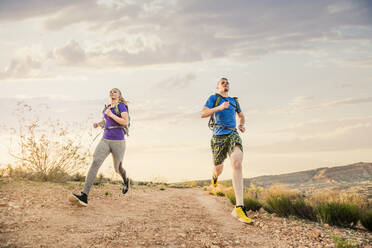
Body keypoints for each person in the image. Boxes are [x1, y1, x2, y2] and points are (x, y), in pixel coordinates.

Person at [200, 78, 253, 224]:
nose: (225, 83)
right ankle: (214, 177)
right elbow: (203, 113)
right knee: (218, 168)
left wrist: (241, 125)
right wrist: (219, 108)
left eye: (227, 82)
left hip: (232, 134)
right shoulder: (214, 98)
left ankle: (239, 207)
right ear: (218, 86)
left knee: (237, 163)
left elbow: (241, 116)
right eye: (222, 82)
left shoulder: (234, 101)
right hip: (218, 137)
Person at [69, 88, 130, 206]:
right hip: (105, 140)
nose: (112, 93)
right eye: (111, 91)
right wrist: (99, 123)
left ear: (119, 95)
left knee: (117, 168)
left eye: (115, 91)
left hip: (118, 142)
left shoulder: (121, 106)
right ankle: (84, 195)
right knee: (95, 162)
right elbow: (106, 120)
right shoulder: (107, 107)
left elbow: (125, 122)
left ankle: (125, 180)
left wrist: (111, 114)